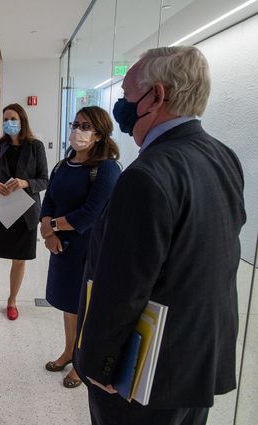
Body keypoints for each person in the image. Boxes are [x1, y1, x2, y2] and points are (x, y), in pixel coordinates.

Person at [74, 46, 245, 425]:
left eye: (128, 93)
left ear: (157, 96)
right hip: (198, 359)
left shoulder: (147, 175)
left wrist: (98, 365)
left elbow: (124, 284)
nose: (121, 103)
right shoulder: (222, 156)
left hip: (145, 374)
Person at [40, 106, 120, 389]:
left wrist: (53, 227)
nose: (77, 130)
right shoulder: (63, 165)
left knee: (86, 307)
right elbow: (48, 199)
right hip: (61, 248)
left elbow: (91, 213)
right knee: (69, 306)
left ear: (98, 133)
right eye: (75, 124)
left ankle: (82, 364)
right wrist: (48, 231)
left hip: (89, 249)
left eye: (85, 126)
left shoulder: (107, 168)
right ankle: (69, 352)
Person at [0, 103, 48, 320]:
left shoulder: (35, 147)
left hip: (24, 211)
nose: (8, 123)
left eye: (13, 118)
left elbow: (43, 180)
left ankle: (12, 301)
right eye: (5, 119)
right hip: (1, 209)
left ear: (22, 120)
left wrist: (25, 183)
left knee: (18, 259)